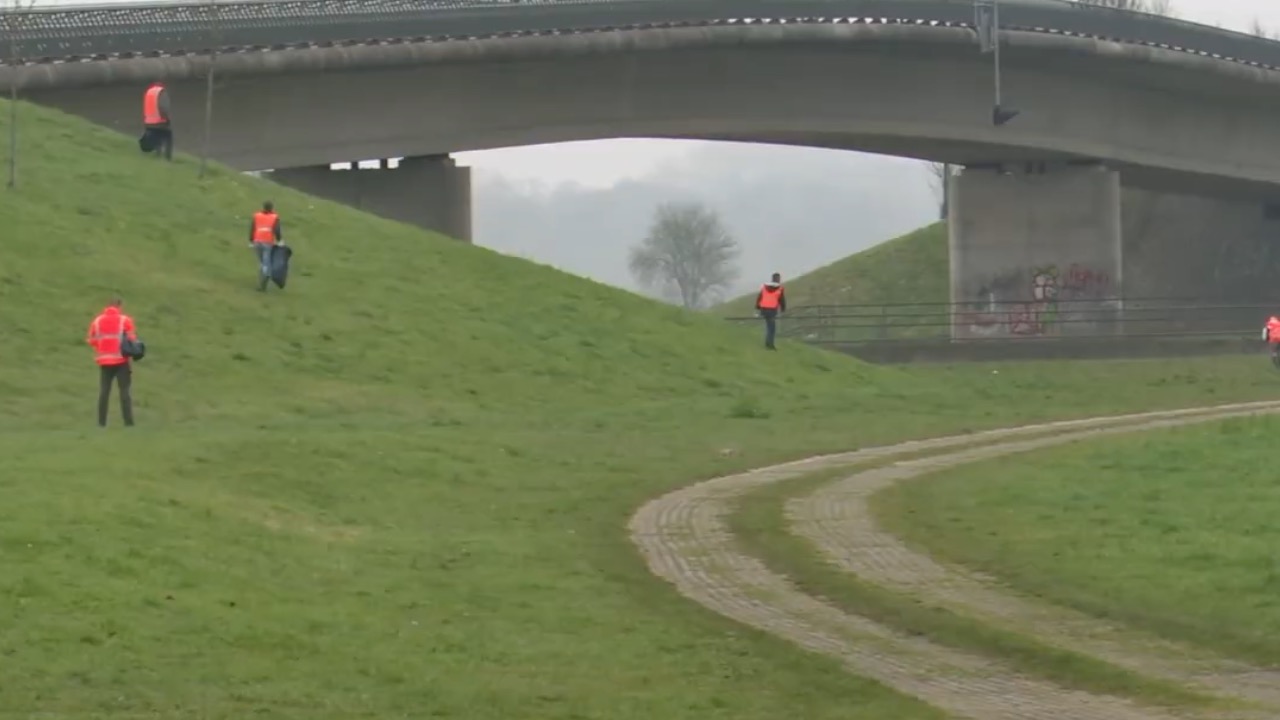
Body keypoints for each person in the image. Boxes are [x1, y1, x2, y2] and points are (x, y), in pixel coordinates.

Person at [86, 298, 138, 428]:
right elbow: (132, 339)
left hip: (104, 361)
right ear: (119, 306)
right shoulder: (124, 320)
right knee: (124, 392)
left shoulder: (97, 321)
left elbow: (91, 340)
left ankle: (101, 423)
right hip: (121, 360)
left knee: (104, 392)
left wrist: (102, 347)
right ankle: (128, 423)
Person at [248, 201, 283, 291]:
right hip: (267, 241)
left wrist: (251, 240)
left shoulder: (257, 216)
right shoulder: (274, 217)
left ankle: (263, 280)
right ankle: (264, 282)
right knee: (266, 262)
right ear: (272, 208)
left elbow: (253, 228)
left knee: (262, 262)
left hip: (257, 240)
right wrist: (279, 241)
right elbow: (276, 229)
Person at [141, 80, 173, 160]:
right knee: (168, 137)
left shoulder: (149, 92)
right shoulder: (161, 92)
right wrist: (167, 118)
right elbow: (163, 107)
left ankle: (157, 154)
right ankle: (167, 157)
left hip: (148, 122)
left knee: (156, 137)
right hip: (159, 121)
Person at [754, 272, 787, 350]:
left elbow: (760, 297)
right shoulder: (779, 288)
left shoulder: (765, 287)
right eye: (779, 279)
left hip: (764, 309)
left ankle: (768, 343)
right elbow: (781, 300)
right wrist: (783, 308)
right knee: (772, 328)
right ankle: (770, 345)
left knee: (769, 326)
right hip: (771, 309)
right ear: (778, 279)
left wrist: (757, 307)